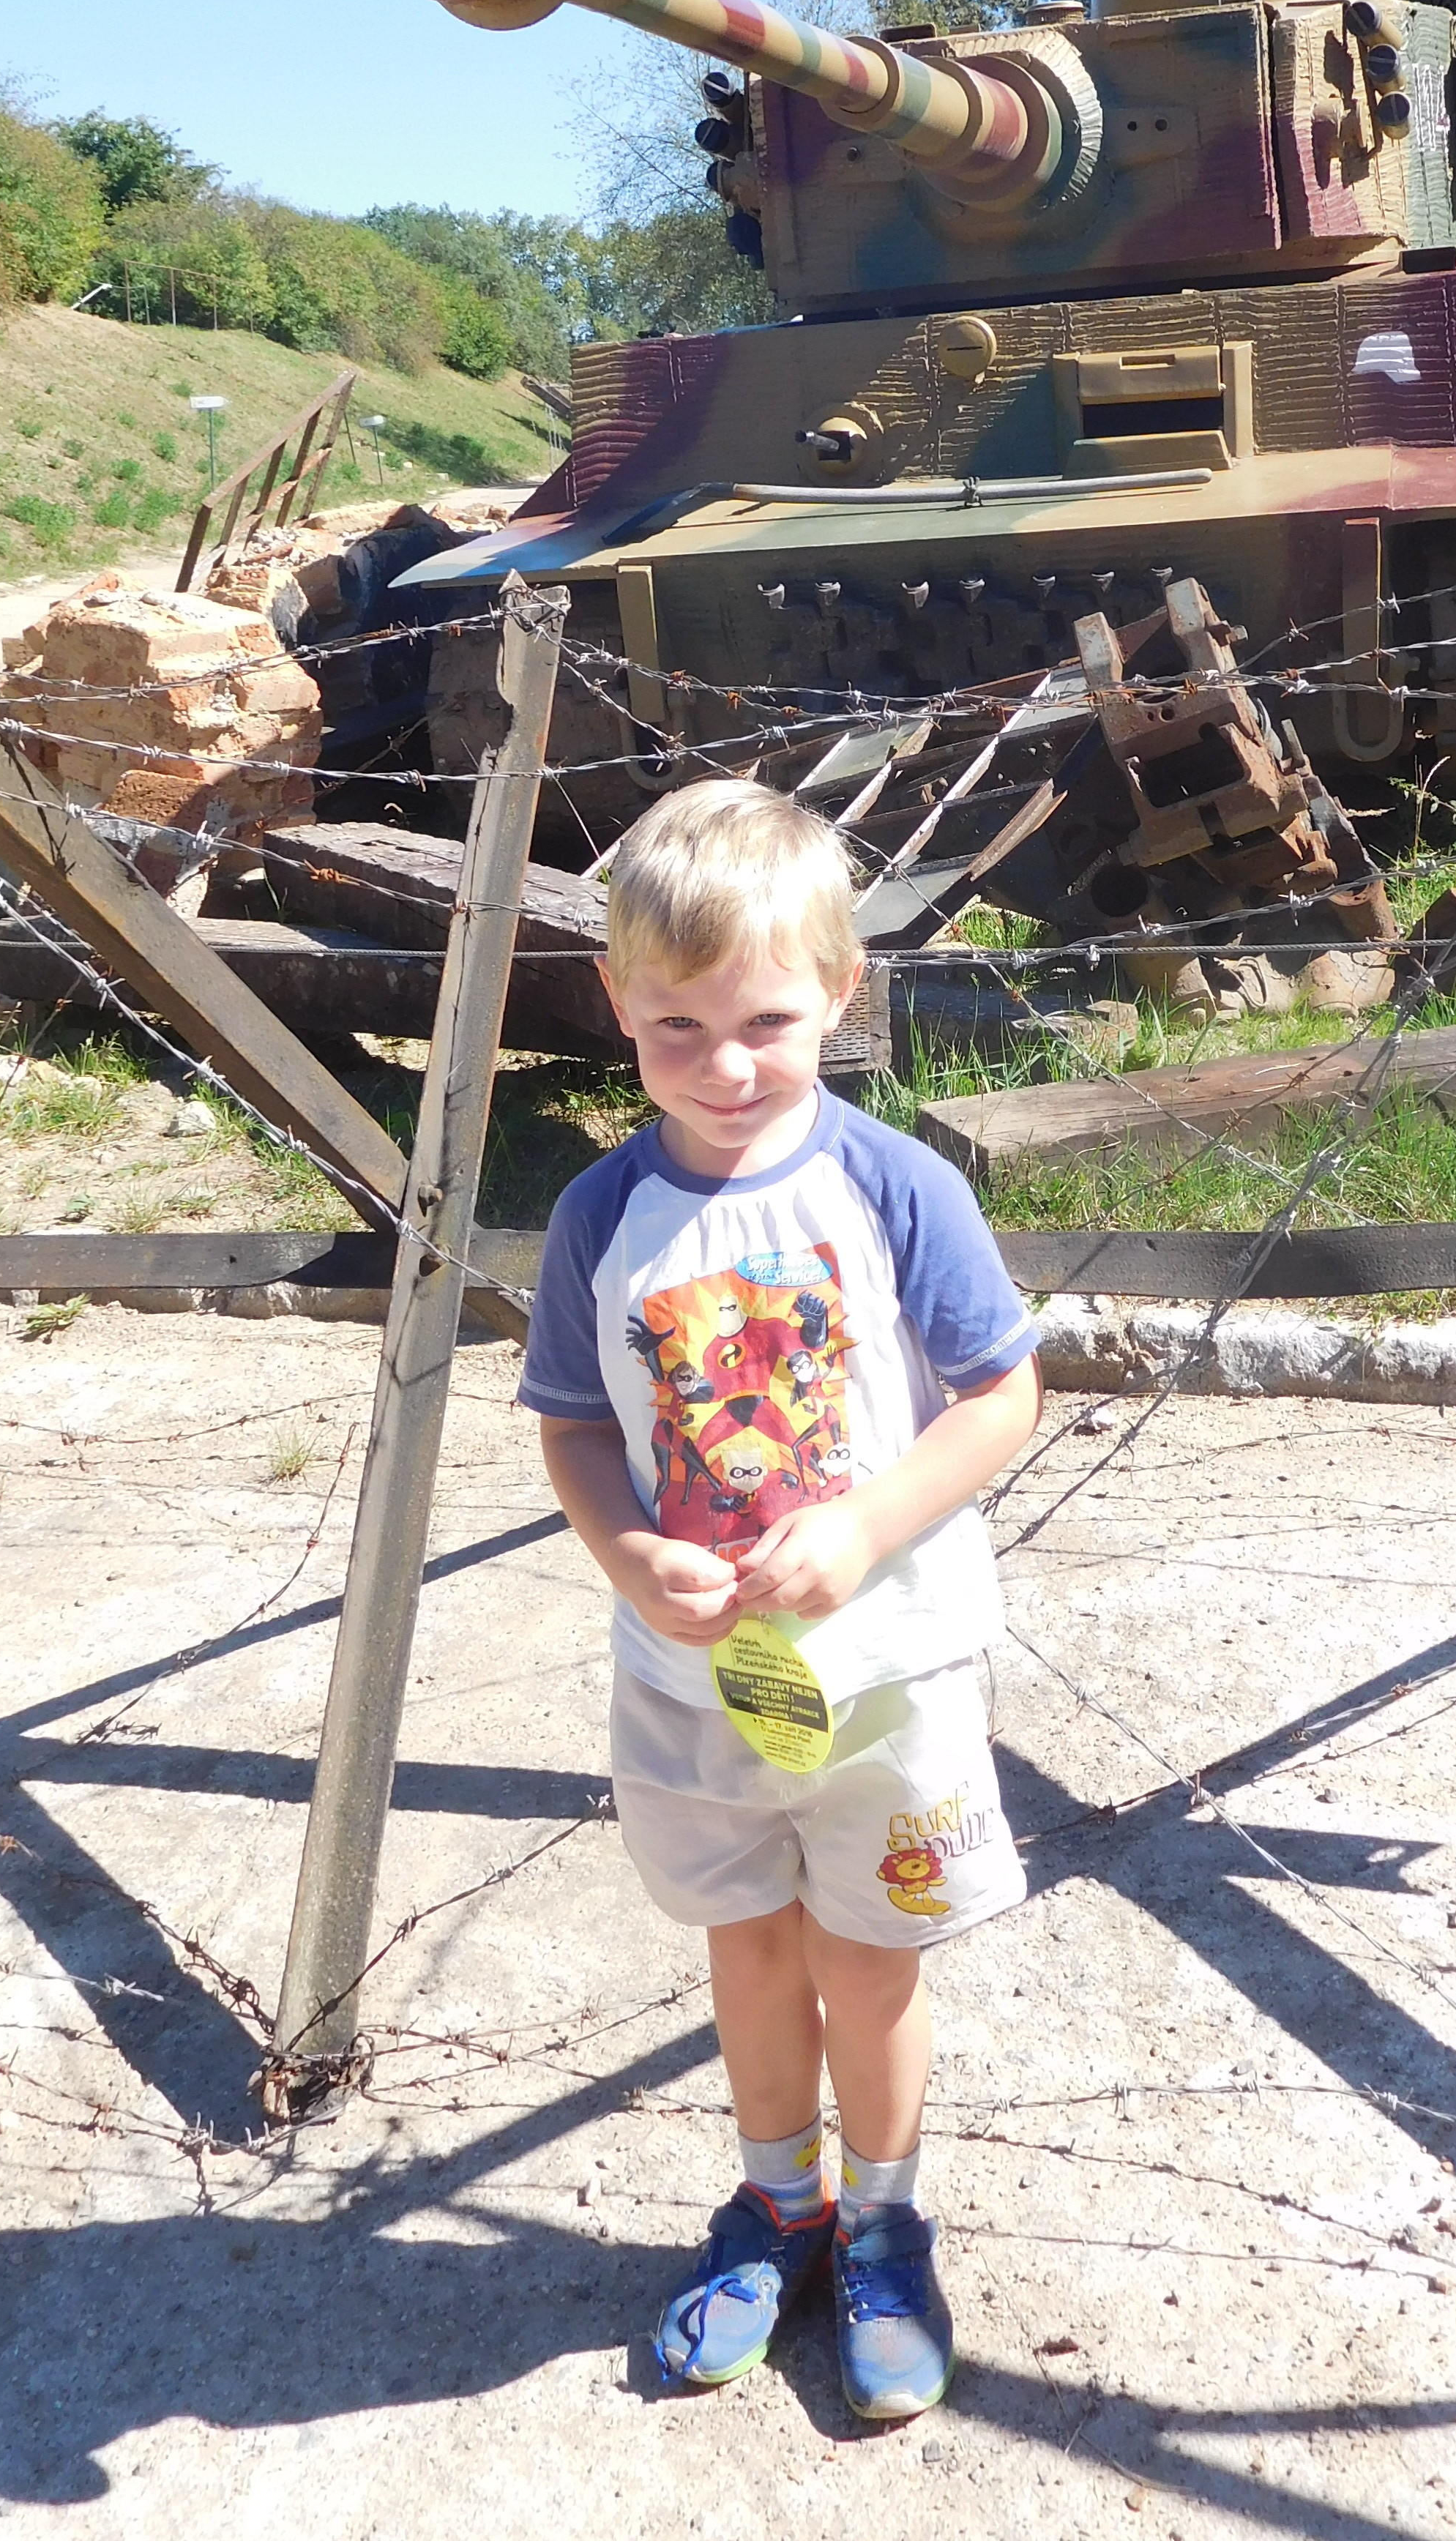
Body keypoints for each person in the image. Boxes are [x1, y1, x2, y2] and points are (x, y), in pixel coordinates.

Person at [520, 777, 1042, 2420]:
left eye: (765, 1021)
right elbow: (575, 1427)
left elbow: (1002, 1396)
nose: (726, 1065)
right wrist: (627, 1553)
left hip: (886, 1676)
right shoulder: (601, 1217)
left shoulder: (898, 1188)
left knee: (868, 1965)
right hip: (697, 1684)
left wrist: (868, 1525)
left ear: (841, 991)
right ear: (615, 998)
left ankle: (883, 2225)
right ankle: (781, 2206)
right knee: (749, 1951)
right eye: (677, 1025)